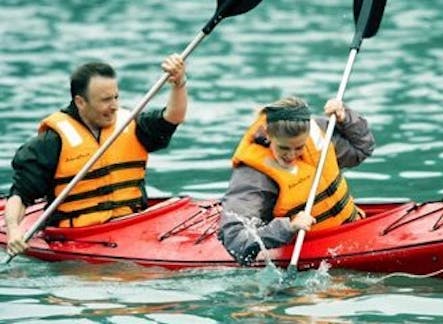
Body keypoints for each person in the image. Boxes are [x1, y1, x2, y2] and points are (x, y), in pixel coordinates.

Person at [5, 54, 188, 256]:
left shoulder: (129, 124)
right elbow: (20, 195)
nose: (115, 106)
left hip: (133, 226)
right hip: (79, 236)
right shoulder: (51, 141)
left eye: (116, 97)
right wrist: (14, 231)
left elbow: (173, 117)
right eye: (106, 100)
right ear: (80, 102)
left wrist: (178, 84)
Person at [219, 96, 375, 265]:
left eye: (299, 147)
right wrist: (288, 227)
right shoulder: (254, 177)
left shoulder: (317, 135)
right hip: (301, 248)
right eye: (283, 148)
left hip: (352, 228)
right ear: (268, 134)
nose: (291, 155)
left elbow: (361, 149)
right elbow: (235, 239)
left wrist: (346, 118)